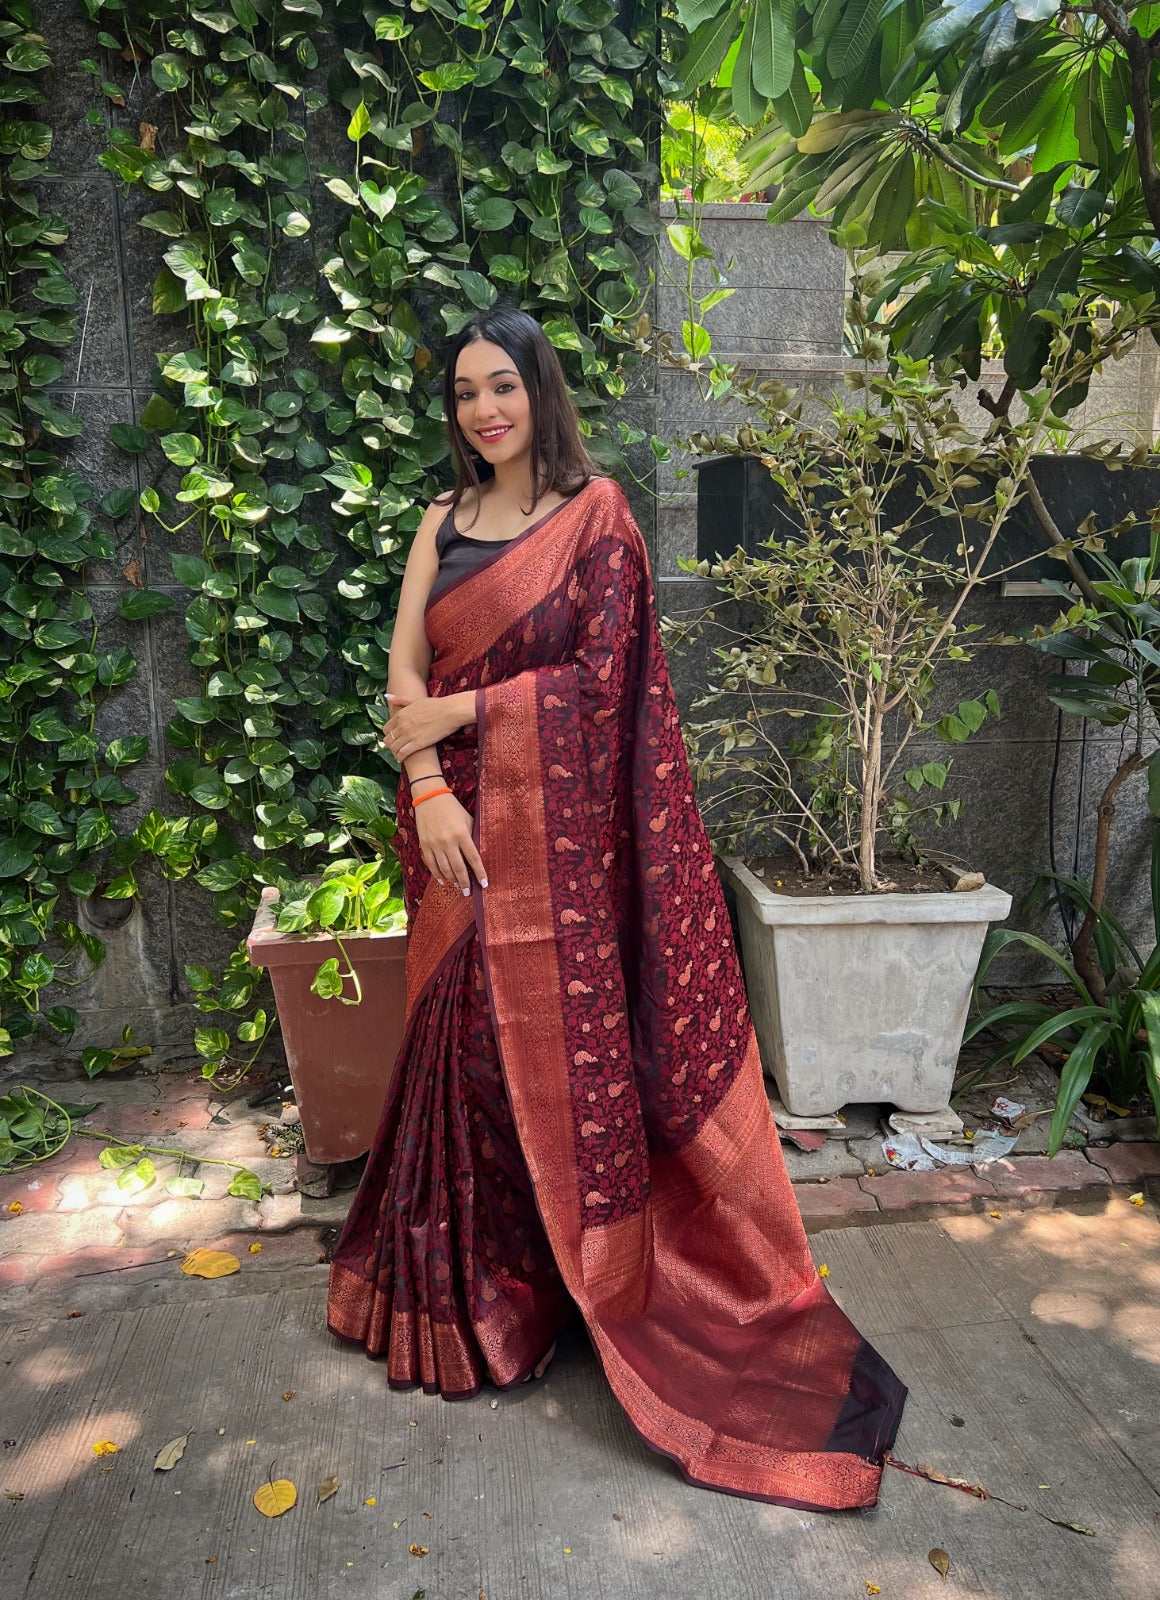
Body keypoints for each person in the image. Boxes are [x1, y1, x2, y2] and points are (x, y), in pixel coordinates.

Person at [326, 308, 906, 1510]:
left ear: (539, 390)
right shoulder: (440, 524)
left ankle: (556, 1287)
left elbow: (605, 688)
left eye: (502, 386)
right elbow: (400, 675)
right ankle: (472, 1306)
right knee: (459, 1059)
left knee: (524, 1063)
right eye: (462, 395)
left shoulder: (598, 522)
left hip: (556, 854)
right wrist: (428, 780)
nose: (482, 411)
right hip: (455, 835)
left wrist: (462, 715)